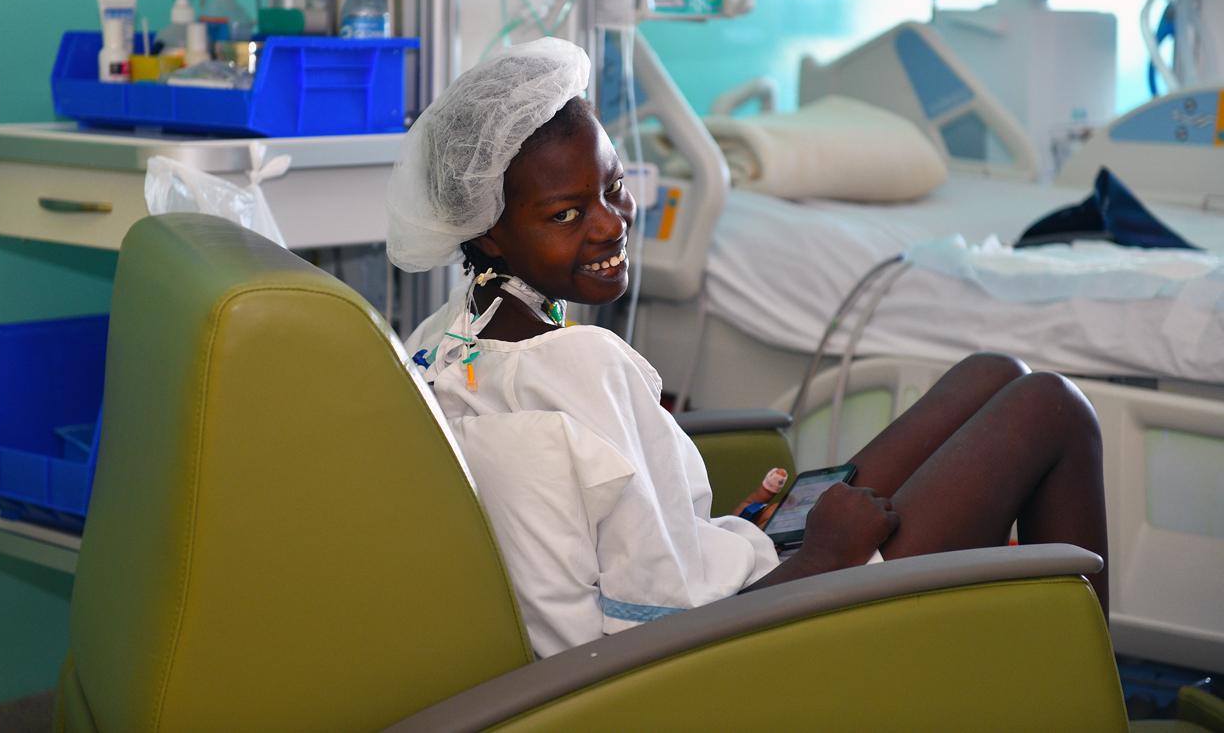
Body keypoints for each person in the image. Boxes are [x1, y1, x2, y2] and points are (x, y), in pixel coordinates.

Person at [387, 38, 1108, 658]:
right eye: (567, 213)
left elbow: (635, 553)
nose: (611, 224)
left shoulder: (443, 348)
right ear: (488, 229)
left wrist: (728, 534)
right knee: (1052, 406)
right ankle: (1078, 698)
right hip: (745, 653)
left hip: (730, 594)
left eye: (613, 185)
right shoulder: (585, 365)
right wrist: (827, 551)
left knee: (993, 375)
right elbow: (664, 634)